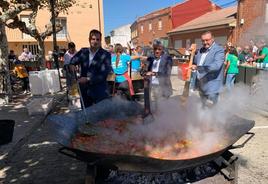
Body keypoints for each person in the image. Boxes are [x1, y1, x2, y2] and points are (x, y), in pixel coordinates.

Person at [69, 29, 112, 108]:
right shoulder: (83, 51)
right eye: (93, 39)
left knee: (100, 116)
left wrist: (88, 79)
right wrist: (72, 65)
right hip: (84, 91)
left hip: (100, 91)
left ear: (100, 41)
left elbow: (104, 74)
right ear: (89, 40)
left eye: (98, 39)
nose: (95, 41)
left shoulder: (106, 54)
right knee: (87, 117)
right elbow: (72, 61)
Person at [192, 31, 225, 106]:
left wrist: (198, 68)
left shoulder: (219, 50)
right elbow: (195, 62)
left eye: (207, 40)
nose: (205, 42)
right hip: (201, 85)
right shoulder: (201, 50)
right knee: (203, 107)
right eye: (203, 40)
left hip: (212, 86)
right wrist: (192, 53)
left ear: (212, 39)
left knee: (212, 110)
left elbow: (216, 66)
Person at [146, 40, 173, 111]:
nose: (157, 51)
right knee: (156, 107)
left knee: (164, 108)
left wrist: (154, 73)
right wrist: (143, 71)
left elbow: (167, 73)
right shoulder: (150, 58)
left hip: (163, 87)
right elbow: (146, 70)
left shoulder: (167, 58)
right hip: (153, 86)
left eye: (159, 49)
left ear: (162, 49)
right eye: (155, 49)